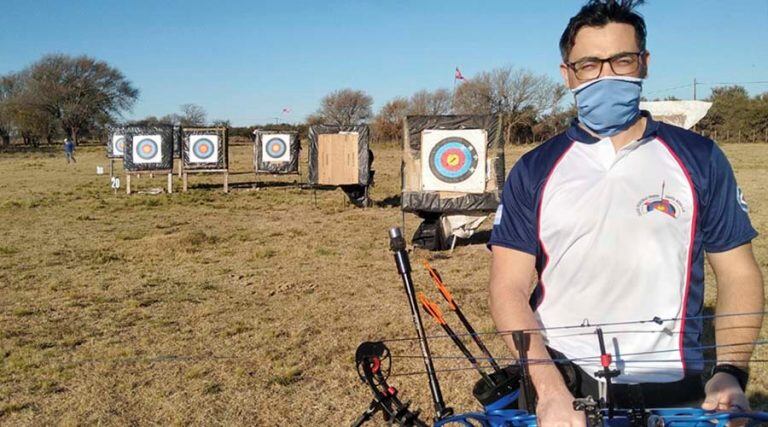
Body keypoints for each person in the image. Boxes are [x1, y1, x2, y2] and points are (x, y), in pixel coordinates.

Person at [487, 1, 764, 425]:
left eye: (621, 60)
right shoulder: (535, 168)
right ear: (567, 74)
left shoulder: (700, 158)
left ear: (644, 64)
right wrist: (549, 390)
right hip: (564, 391)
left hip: (676, 391)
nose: (607, 75)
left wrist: (729, 373)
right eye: (589, 65)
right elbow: (507, 287)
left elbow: (739, 272)